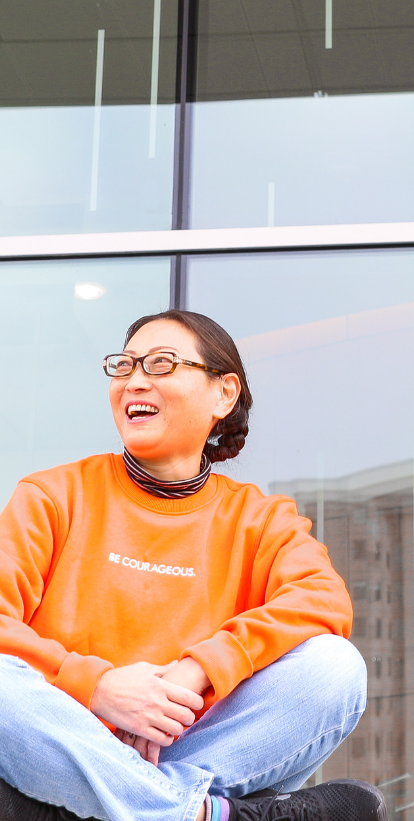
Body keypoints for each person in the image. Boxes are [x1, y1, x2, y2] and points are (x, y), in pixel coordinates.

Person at [0, 308, 383, 821]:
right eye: (125, 365)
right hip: (60, 742)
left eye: (160, 364)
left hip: (185, 749)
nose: (135, 380)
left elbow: (322, 601)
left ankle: (104, 808)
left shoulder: (260, 519)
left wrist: (196, 671)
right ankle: (203, 816)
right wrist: (99, 688)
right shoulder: (52, 495)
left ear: (224, 393)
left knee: (334, 668)